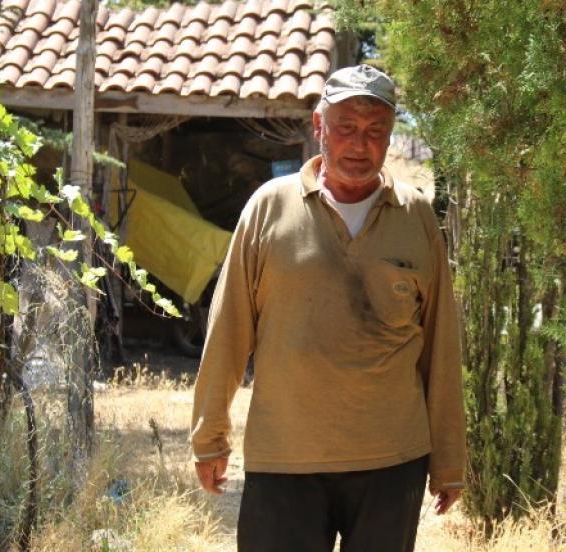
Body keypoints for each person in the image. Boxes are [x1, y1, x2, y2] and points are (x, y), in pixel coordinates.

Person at [191, 64, 466, 552]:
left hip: (391, 461)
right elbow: (229, 329)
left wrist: (448, 459)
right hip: (285, 459)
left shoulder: (416, 216)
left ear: (390, 135)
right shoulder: (269, 208)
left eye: (375, 130)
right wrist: (210, 436)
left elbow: (441, 345)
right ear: (319, 125)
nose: (360, 144)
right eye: (346, 128)